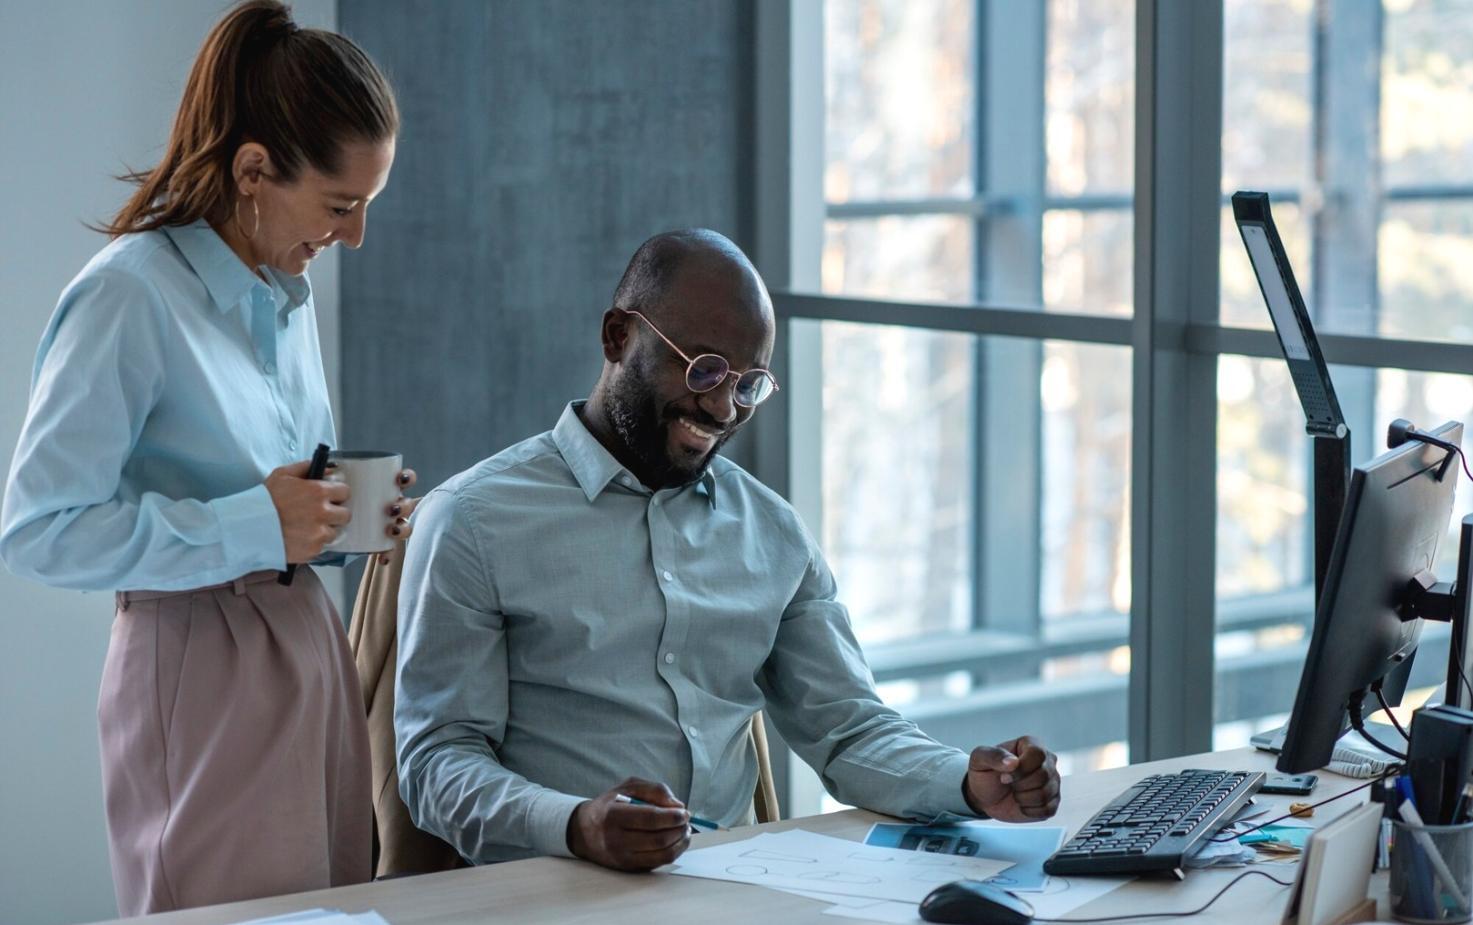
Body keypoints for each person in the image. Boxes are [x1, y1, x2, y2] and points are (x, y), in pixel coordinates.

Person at [395, 229, 1062, 873]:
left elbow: (847, 730)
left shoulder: (771, 531)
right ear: (617, 336)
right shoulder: (474, 519)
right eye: (702, 367)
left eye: (747, 384)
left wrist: (968, 785)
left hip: (734, 889)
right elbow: (436, 762)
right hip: (551, 891)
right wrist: (575, 823)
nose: (721, 406)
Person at [0, 1, 412, 914]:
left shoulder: (284, 288)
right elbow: (37, 530)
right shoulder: (128, 296)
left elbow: (267, 487)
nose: (353, 238)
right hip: (199, 667)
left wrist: (336, 511)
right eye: (340, 205)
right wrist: (260, 521)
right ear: (255, 170)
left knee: (332, 909)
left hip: (308, 647)